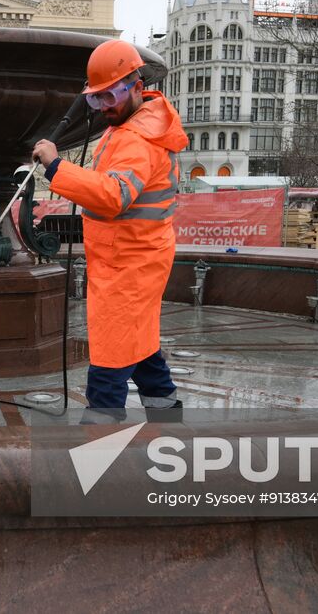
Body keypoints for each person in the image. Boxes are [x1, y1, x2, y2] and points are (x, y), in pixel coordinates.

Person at [32, 39, 187, 424]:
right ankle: (167, 420)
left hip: (129, 264)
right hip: (131, 257)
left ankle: (97, 449)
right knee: (141, 344)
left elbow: (115, 195)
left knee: (111, 356)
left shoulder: (138, 138)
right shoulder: (131, 128)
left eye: (110, 96)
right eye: (96, 100)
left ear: (136, 84)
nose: (104, 108)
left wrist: (55, 168)